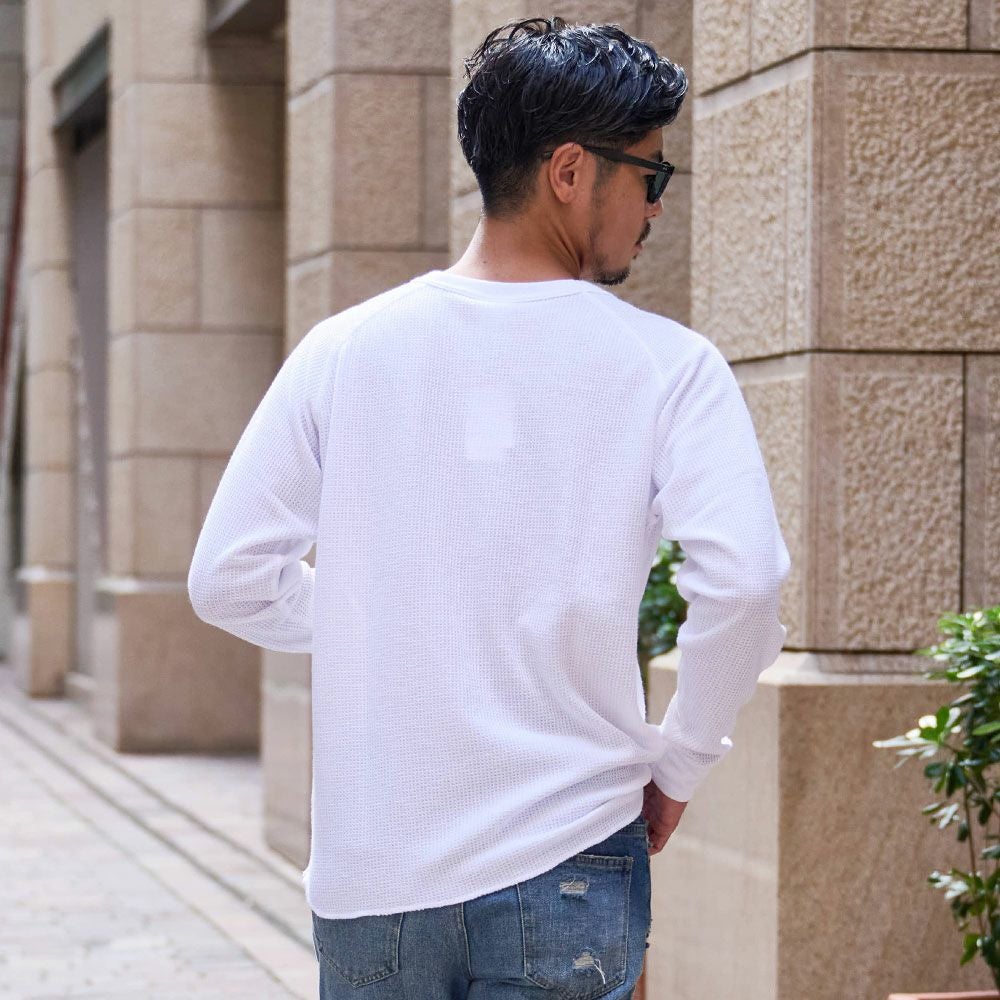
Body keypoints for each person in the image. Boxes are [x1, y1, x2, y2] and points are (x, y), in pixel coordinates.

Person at [187, 15, 790, 1000]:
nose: (655, 206)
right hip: (569, 852)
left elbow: (227, 579)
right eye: (650, 174)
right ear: (569, 171)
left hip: (375, 871)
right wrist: (679, 763)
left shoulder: (345, 350)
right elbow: (748, 583)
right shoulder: (668, 366)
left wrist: (386, 619)